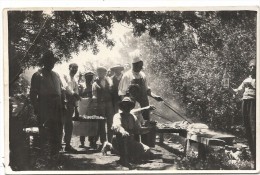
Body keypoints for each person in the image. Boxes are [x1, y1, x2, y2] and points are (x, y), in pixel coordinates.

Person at [30, 50, 64, 168]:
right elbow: (33, 94)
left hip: (57, 106)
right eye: (49, 61)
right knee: (45, 131)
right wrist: (36, 108)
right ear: (44, 62)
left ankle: (56, 157)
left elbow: (62, 90)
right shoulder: (37, 75)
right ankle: (44, 159)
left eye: (53, 61)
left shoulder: (56, 75)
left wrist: (63, 104)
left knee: (58, 131)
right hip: (45, 106)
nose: (51, 63)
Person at [228, 59, 256, 168]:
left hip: (255, 103)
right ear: (249, 68)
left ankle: (257, 158)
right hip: (245, 103)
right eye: (251, 67)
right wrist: (228, 87)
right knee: (247, 128)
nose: (252, 68)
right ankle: (253, 157)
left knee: (254, 129)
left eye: (254, 67)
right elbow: (237, 92)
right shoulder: (246, 80)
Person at [118, 55, 163, 121]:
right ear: (134, 65)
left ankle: (147, 125)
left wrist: (155, 97)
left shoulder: (142, 75)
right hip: (131, 99)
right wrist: (124, 106)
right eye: (139, 66)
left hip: (142, 98)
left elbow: (147, 90)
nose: (141, 68)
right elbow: (122, 93)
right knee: (132, 116)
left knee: (146, 113)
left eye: (141, 66)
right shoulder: (127, 76)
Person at [111, 97, 152, 167]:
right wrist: (123, 131)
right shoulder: (117, 116)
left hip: (130, 141)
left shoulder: (133, 117)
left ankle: (129, 156)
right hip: (118, 141)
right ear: (122, 107)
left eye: (128, 106)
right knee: (123, 138)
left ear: (130, 107)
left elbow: (138, 130)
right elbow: (117, 126)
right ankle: (123, 158)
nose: (126, 107)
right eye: (124, 105)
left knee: (147, 150)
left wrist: (149, 129)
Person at [92, 66, 114, 148]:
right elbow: (94, 94)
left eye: (102, 72)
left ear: (105, 73)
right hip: (100, 104)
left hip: (109, 103)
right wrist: (95, 104)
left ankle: (110, 141)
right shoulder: (95, 83)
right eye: (99, 72)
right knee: (101, 123)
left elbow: (111, 86)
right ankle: (103, 141)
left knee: (110, 123)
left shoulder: (108, 80)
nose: (101, 73)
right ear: (97, 73)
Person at [61, 63, 80, 153]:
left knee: (69, 124)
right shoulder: (64, 76)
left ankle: (67, 144)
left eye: (76, 68)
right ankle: (59, 145)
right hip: (63, 101)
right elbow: (65, 87)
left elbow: (76, 94)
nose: (75, 70)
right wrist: (73, 93)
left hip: (71, 103)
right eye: (73, 68)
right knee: (61, 123)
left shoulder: (75, 80)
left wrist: (76, 108)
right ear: (69, 68)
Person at [78, 71, 96, 148]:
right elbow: (79, 94)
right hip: (82, 105)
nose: (89, 78)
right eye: (88, 76)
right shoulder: (81, 85)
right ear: (85, 77)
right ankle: (82, 141)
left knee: (91, 123)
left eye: (91, 77)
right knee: (82, 123)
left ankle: (91, 141)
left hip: (91, 105)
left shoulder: (94, 85)